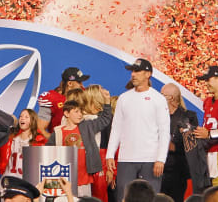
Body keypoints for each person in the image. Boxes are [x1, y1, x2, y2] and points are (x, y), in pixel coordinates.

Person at [106, 59, 170, 202]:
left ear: (148, 74)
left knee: (150, 198)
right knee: (122, 198)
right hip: (126, 158)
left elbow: (164, 132)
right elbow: (116, 128)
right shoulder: (124, 98)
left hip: (151, 159)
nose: (133, 74)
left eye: (137, 71)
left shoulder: (158, 99)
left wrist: (160, 159)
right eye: (132, 71)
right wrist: (110, 154)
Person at [46, 93, 112, 197]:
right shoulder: (58, 132)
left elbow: (105, 119)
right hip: (64, 180)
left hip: (84, 179)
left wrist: (107, 102)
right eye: (76, 112)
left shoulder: (88, 126)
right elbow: (48, 153)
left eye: (80, 111)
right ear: (67, 113)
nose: (80, 114)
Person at [159, 83, 206, 202]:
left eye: (162, 95)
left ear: (171, 98)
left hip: (178, 170)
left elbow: (192, 145)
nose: (158, 98)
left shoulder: (188, 116)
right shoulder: (157, 116)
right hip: (158, 169)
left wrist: (172, 146)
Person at [37, 67, 90, 133]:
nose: (82, 85)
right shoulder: (52, 98)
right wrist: (56, 140)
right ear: (70, 83)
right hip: (59, 141)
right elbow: (40, 128)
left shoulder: (84, 94)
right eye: (79, 82)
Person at [0, 109, 46, 178]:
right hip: (9, 178)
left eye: (26, 117)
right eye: (21, 116)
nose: (22, 118)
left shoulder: (38, 140)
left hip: (27, 180)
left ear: (33, 120)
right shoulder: (11, 138)